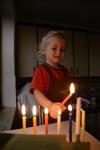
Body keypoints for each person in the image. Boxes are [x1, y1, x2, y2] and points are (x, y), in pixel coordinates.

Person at [30, 31, 71, 123]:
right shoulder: (41, 71)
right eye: (54, 48)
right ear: (44, 50)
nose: (58, 52)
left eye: (62, 50)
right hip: (48, 117)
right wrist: (50, 106)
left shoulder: (66, 71)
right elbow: (37, 92)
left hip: (65, 115)